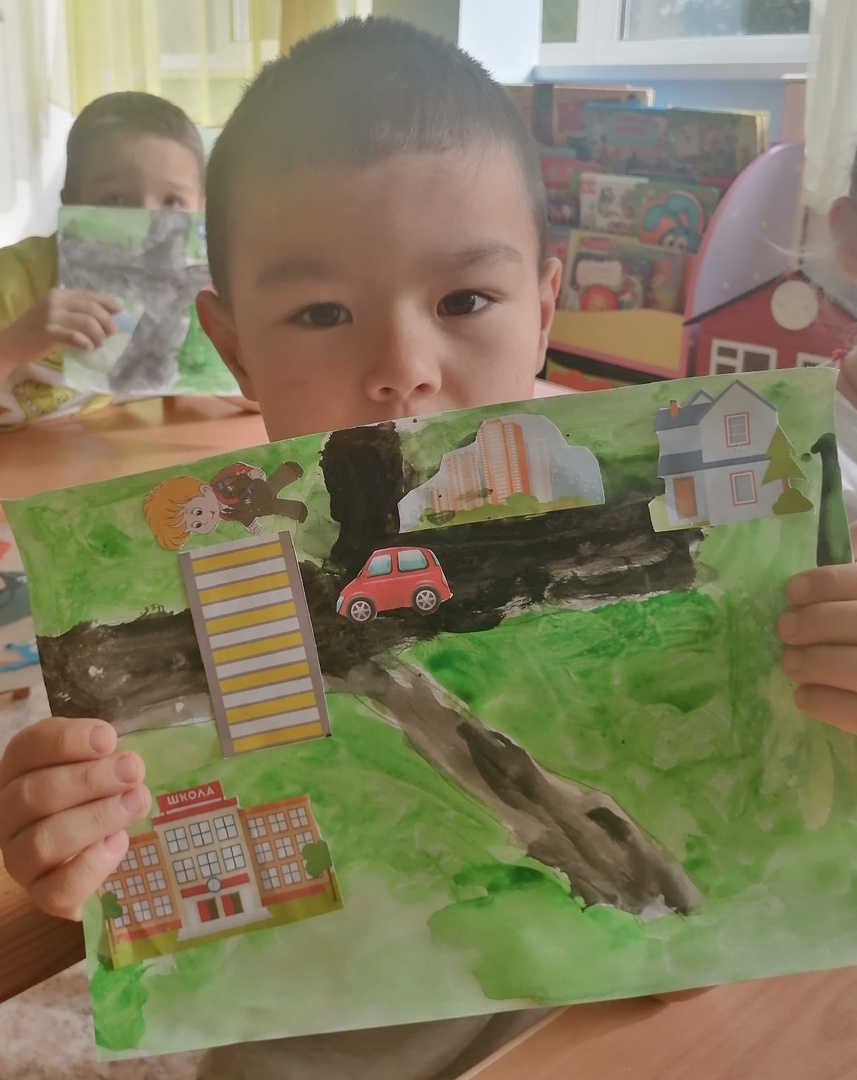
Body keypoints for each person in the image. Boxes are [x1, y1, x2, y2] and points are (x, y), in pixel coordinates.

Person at [0, 16, 852, 1080]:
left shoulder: (686, 551)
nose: (400, 365)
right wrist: (70, 827)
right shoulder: (194, 576)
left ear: (542, 311)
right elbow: (148, 852)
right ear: (232, 348)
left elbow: (712, 939)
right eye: (321, 311)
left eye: (463, 299)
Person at [0, 90, 257, 427]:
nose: (145, 224)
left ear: (201, 211)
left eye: (172, 202)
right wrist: (13, 345)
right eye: (115, 199)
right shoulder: (13, 279)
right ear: (71, 204)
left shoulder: (194, 291)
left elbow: (262, 400)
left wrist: (220, 374)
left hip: (81, 445)